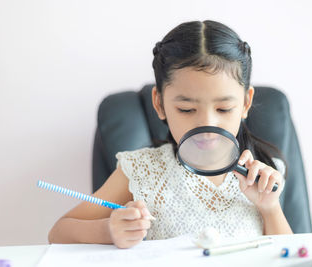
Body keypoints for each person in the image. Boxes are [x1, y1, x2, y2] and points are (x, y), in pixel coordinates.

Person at [48, 20, 293, 249]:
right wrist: (109, 231)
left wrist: (269, 208)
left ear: (246, 103)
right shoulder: (143, 171)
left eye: (223, 109)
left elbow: (289, 253)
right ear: (159, 104)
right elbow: (58, 233)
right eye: (187, 109)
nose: (206, 124)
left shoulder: (266, 175)